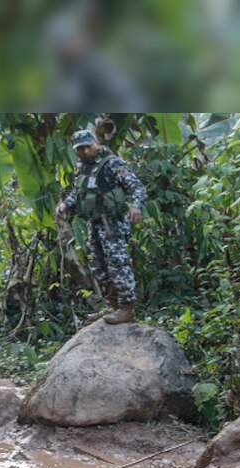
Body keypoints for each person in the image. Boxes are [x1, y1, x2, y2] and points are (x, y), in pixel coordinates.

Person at [55, 129, 147, 325]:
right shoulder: (82, 167)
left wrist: (136, 206)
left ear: (96, 143)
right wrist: (65, 204)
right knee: (100, 267)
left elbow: (137, 187)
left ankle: (127, 308)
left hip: (112, 223)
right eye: (81, 149)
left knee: (118, 265)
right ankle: (113, 306)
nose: (85, 151)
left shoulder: (112, 163)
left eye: (88, 146)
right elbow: (77, 192)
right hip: (94, 223)